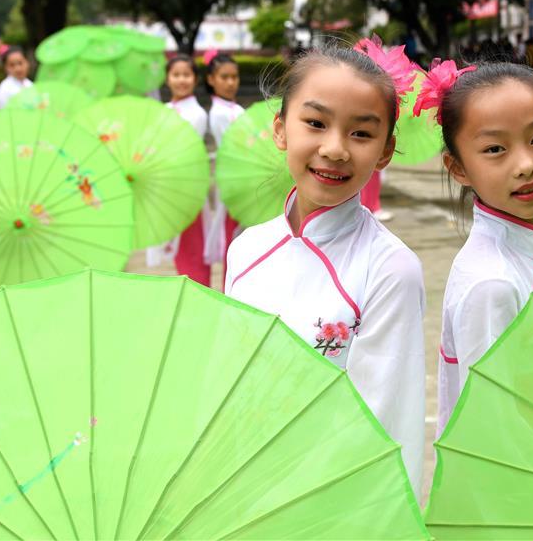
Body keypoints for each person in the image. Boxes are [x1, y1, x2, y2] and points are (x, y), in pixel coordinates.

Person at [224, 38, 426, 494]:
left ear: (387, 150)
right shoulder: (245, 250)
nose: (335, 149)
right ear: (280, 129)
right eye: (315, 123)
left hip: (332, 502)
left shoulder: (391, 269)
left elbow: (390, 427)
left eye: (361, 133)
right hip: (244, 493)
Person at [413, 60, 533, 433]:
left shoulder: (530, 249)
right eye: (496, 149)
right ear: (458, 168)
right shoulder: (492, 283)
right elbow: (496, 431)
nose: (526, 164)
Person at [146, 55, 211, 280]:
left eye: (186, 74)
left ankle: (198, 291)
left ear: (195, 79)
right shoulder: (162, 110)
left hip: (186, 185)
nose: (181, 80)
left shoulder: (198, 114)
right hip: (165, 185)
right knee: (174, 244)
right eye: (176, 74)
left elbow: (186, 149)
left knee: (191, 245)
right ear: (167, 78)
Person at [204, 49, 245, 282]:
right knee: (233, 238)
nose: (231, 83)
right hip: (232, 179)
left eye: (234, 77)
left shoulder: (233, 109)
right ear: (211, 80)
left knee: (238, 235)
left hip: (239, 176)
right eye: (224, 77)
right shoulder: (219, 112)